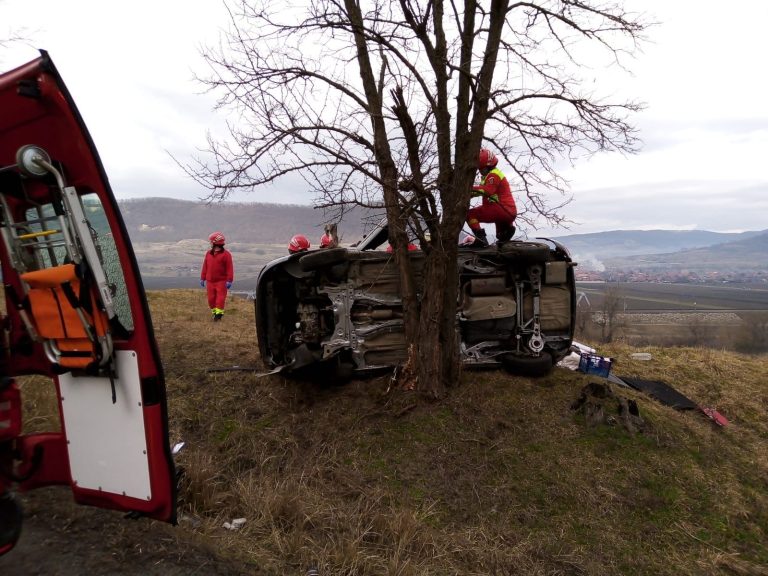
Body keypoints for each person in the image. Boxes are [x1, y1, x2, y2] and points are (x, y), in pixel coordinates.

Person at [466, 148, 517, 246]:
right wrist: (471, 194)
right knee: (500, 237)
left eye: (481, 168)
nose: (480, 171)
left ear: (488, 166)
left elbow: (488, 190)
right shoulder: (495, 174)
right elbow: (483, 190)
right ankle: (506, 232)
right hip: (509, 212)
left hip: (499, 209)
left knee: (469, 214)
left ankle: (480, 239)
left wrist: (468, 189)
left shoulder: (493, 175)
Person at [200, 231, 234, 321]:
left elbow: (229, 268)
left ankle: (218, 316)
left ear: (215, 242)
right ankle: (215, 313)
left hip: (221, 281)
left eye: (211, 241)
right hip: (210, 281)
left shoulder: (226, 255)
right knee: (211, 299)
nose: (210, 243)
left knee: (220, 299)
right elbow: (205, 266)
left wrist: (229, 280)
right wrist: (202, 278)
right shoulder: (208, 253)